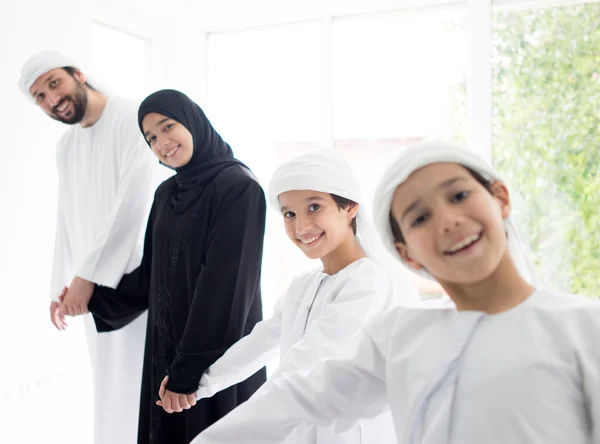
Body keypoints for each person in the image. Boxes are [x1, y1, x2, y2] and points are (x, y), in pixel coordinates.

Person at [190, 141, 600, 444]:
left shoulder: (585, 328)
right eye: (419, 217)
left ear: (500, 198)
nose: (447, 222)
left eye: (458, 195)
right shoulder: (401, 336)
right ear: (405, 251)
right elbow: (300, 397)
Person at [177, 148, 419, 443]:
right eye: (289, 214)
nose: (301, 226)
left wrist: (222, 436)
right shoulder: (304, 285)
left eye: (314, 207)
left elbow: (305, 362)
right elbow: (262, 341)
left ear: (350, 206)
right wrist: (197, 384)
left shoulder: (368, 283)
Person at [78, 89, 267, 444]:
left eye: (168, 127)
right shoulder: (166, 194)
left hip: (215, 356)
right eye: (151, 137)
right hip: (166, 353)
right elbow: (151, 276)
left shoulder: (238, 187)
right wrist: (92, 298)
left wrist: (189, 371)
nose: (162, 142)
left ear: (192, 121)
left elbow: (225, 287)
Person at [18, 49, 162, 444]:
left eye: (53, 84)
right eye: (40, 97)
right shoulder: (66, 146)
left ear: (78, 74)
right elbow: (66, 216)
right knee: (110, 389)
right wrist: (61, 284)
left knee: (145, 386)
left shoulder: (134, 119)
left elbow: (133, 204)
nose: (51, 100)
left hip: (138, 281)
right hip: (91, 288)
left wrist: (86, 276)